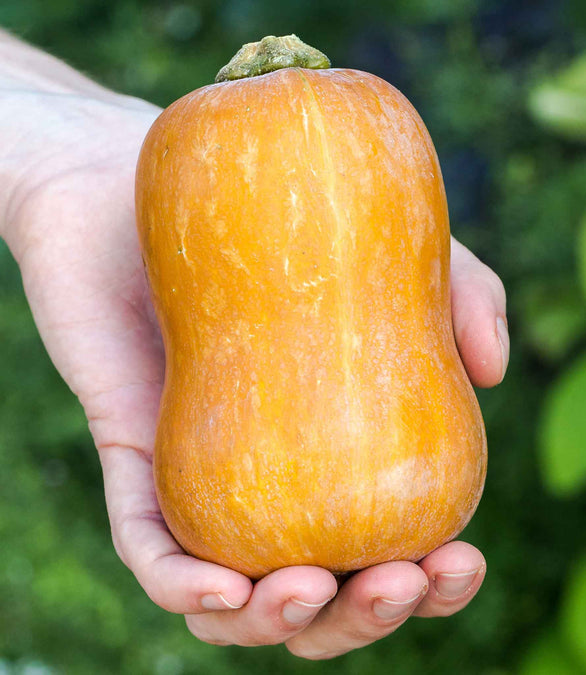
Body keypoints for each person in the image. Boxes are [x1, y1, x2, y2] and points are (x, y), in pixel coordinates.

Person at [0, 29, 509, 660]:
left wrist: (54, 149)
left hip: (297, 495)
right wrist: (46, 160)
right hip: (400, 479)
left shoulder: (348, 116)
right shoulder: (357, 116)